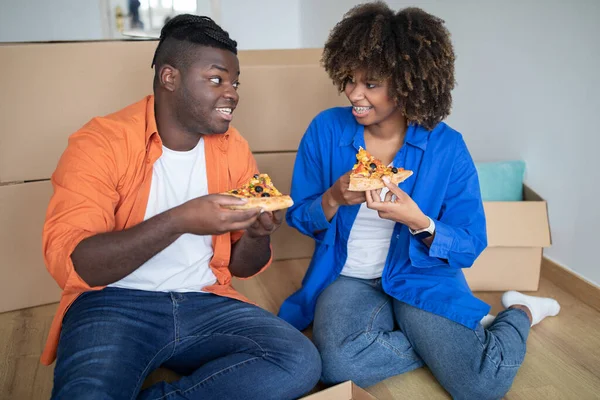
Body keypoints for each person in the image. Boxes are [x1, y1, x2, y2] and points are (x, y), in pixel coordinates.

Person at [278, 3, 560, 399]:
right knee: (338, 365)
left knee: (482, 385)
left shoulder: (448, 148)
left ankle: (521, 312)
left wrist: (420, 223)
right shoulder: (325, 129)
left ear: (409, 84)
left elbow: (469, 244)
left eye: (371, 84)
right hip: (348, 278)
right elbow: (297, 217)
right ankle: (445, 343)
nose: (353, 93)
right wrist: (333, 198)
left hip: (422, 276)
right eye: (349, 79)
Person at [42, 14, 321, 400]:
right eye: (216, 79)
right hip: (112, 303)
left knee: (299, 361)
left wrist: (257, 233)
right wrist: (179, 221)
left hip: (205, 300)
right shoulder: (99, 143)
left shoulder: (233, 147)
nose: (233, 93)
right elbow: (79, 265)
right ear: (169, 78)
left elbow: (242, 267)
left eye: (235, 82)